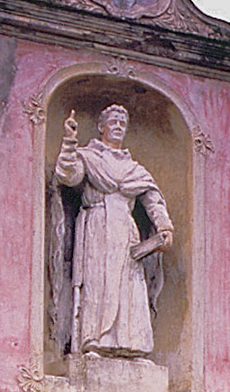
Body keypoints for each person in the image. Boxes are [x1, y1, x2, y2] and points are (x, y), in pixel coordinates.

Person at [50, 105, 173, 355]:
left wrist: (163, 225)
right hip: (97, 225)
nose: (118, 127)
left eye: (122, 123)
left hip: (127, 231)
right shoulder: (88, 157)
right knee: (97, 282)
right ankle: (93, 341)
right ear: (101, 127)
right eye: (113, 122)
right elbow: (69, 176)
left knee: (129, 287)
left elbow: (152, 200)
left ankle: (131, 345)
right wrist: (70, 141)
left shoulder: (134, 169)